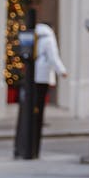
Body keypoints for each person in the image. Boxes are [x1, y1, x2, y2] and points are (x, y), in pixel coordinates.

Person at [30, 22, 68, 158]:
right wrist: (62, 71)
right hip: (44, 73)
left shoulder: (35, 35)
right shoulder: (49, 38)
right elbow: (53, 57)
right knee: (40, 103)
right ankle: (37, 120)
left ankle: (35, 117)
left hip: (33, 72)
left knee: (34, 101)